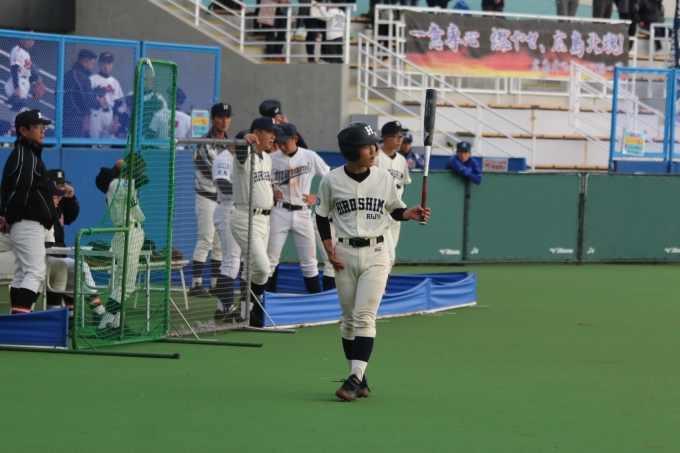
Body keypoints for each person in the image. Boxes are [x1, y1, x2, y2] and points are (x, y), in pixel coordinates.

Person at [315, 122, 430, 402]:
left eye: (375, 145)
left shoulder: (383, 177)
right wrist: (328, 246)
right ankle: (360, 377)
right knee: (348, 320)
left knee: (365, 316)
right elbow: (321, 215)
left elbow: (396, 209)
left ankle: (354, 379)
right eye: (368, 146)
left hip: (378, 253)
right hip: (344, 253)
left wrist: (410, 213)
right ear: (352, 150)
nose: (375, 150)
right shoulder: (330, 180)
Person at [0, 109, 55, 315]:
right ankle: (21, 321)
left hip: (23, 223)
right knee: (35, 271)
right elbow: (19, 190)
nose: (43, 131)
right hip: (27, 222)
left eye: (43, 127)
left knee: (23, 272)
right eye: (38, 127)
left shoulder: (26, 153)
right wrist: (9, 217)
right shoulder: (25, 155)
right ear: (23, 130)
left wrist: (8, 216)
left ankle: (16, 321)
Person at [266, 123, 329, 293]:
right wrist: (270, 192)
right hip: (279, 211)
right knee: (270, 261)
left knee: (310, 262)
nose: (281, 146)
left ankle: (315, 301)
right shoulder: (271, 159)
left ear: (295, 139)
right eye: (279, 142)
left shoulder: (309, 156)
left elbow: (331, 178)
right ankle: (261, 302)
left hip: (302, 213)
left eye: (285, 142)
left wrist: (317, 197)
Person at [230, 117, 280, 327]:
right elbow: (241, 145)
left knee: (251, 268)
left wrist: (272, 194)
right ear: (257, 133)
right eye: (269, 132)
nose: (273, 137)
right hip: (245, 217)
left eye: (274, 133)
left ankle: (246, 314)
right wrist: (245, 136)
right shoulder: (245, 153)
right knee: (262, 266)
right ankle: (255, 307)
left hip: (264, 219)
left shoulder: (267, 157)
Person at [44, 169, 104, 326]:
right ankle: (97, 311)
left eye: (63, 185)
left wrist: (70, 199)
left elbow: (71, 217)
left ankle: (70, 315)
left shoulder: (58, 204)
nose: (63, 189)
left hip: (55, 254)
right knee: (77, 267)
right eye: (59, 186)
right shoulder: (43, 206)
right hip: (43, 256)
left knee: (76, 268)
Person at [98, 154, 147, 337]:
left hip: (129, 234)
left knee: (122, 284)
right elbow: (142, 179)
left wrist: (125, 169)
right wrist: (125, 168)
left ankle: (116, 325)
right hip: (127, 234)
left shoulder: (121, 185)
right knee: (126, 286)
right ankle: (105, 325)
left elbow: (139, 179)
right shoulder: (116, 184)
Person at [189, 103, 233, 298]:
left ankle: (215, 283)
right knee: (205, 239)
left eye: (227, 117)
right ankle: (196, 284)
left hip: (223, 200)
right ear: (213, 119)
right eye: (221, 117)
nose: (225, 120)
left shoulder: (231, 142)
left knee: (220, 243)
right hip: (206, 196)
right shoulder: (204, 142)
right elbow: (213, 172)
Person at [375, 121, 412, 269]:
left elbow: (404, 183)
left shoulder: (401, 160)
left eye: (401, 136)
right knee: (388, 256)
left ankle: (381, 282)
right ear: (385, 137)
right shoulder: (376, 157)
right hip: (379, 212)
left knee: (389, 257)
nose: (400, 140)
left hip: (395, 212)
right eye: (396, 136)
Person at [63, 49, 107, 138]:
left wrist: (94, 92)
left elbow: (77, 96)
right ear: (84, 62)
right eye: (92, 63)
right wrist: (99, 102)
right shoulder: (82, 77)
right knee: (74, 145)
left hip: (63, 117)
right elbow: (88, 102)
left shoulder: (67, 74)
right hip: (75, 120)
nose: (92, 66)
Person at [89, 52, 124, 139]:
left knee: (108, 142)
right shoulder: (92, 79)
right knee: (94, 142)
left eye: (109, 64)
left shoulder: (115, 82)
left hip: (109, 115)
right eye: (104, 63)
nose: (106, 66)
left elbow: (117, 104)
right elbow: (87, 99)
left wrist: (115, 122)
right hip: (96, 113)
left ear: (112, 65)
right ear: (99, 64)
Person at [3, 38, 45, 112]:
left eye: (32, 40)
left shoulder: (26, 53)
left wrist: (37, 78)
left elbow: (27, 73)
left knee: (18, 108)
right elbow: (14, 68)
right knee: (21, 107)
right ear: (22, 39)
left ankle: (14, 102)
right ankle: (15, 101)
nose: (31, 42)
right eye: (29, 40)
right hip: (19, 81)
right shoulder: (17, 50)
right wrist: (16, 88)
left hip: (24, 82)